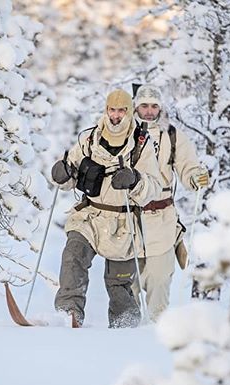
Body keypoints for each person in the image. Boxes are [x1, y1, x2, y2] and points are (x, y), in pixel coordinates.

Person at [50, 88, 163, 328]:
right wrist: (62, 175)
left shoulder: (141, 145)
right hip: (90, 215)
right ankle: (68, 313)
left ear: (129, 112)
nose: (116, 116)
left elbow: (154, 187)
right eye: (112, 110)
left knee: (119, 283)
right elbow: (70, 174)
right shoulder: (89, 139)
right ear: (106, 110)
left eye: (122, 110)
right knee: (73, 257)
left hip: (123, 223)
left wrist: (134, 180)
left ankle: (125, 326)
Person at [131, 84, 210, 321]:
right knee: (128, 281)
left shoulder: (173, 135)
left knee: (159, 277)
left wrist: (195, 176)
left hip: (162, 218)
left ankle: (157, 330)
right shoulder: (125, 132)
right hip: (127, 216)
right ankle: (125, 332)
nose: (149, 111)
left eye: (154, 106)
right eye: (144, 105)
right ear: (136, 106)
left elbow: (188, 166)